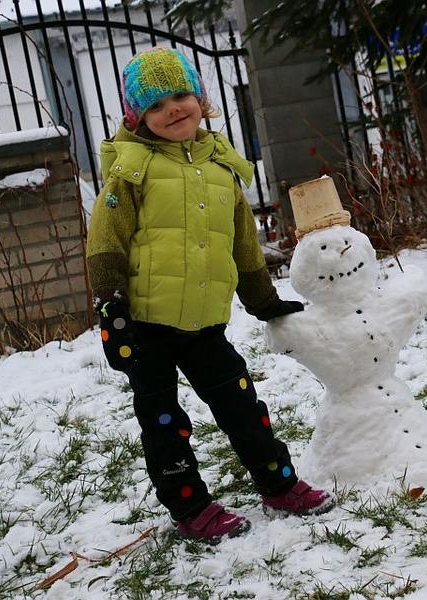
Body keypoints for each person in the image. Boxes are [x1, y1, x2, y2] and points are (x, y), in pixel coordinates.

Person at [86, 47, 335, 543]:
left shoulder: (221, 168)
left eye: (180, 96)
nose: (172, 110)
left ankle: (279, 484)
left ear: (200, 99)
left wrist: (263, 301)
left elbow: (243, 244)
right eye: (156, 105)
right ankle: (190, 507)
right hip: (146, 325)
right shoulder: (131, 170)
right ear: (137, 118)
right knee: (164, 422)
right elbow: (105, 239)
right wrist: (112, 307)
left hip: (205, 323)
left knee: (242, 405)